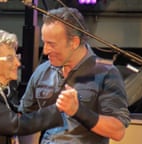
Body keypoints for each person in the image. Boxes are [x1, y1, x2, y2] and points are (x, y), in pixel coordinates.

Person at [18, 7, 131, 144]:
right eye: (44, 42)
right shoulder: (42, 71)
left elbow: (117, 131)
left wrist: (78, 111)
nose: (46, 50)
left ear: (74, 42)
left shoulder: (106, 72)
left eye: (51, 44)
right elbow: (24, 118)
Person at [0, 28, 79, 144]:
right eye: (10, 58)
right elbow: (17, 125)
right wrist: (60, 108)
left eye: (16, 57)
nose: (17, 63)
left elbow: (17, 115)